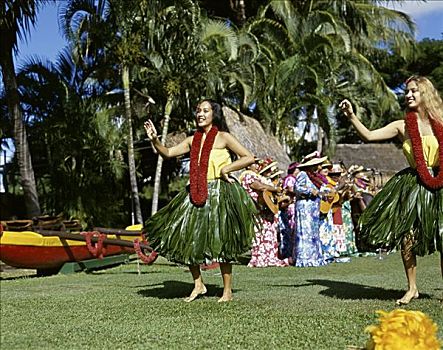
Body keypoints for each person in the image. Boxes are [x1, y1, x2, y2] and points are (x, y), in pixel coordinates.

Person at [339, 75, 443, 305]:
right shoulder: (402, 125)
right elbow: (369, 135)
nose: (408, 95)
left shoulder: (441, 121)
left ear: (425, 92)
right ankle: (412, 288)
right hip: (412, 184)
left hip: (440, 182)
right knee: (407, 236)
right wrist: (352, 116)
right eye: (406, 91)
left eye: (413, 91)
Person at [143, 99, 257, 302]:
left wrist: (226, 169)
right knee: (188, 238)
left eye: (206, 110)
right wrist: (154, 140)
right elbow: (168, 153)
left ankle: (227, 291)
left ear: (215, 114)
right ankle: (199, 284)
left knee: (223, 240)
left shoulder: (223, 137)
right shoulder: (191, 140)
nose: (200, 114)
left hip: (220, 193)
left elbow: (248, 157)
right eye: (198, 111)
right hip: (195, 191)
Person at [240, 158, 290, 267]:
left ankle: (269, 257)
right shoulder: (248, 176)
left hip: (265, 208)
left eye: (258, 164)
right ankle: (261, 258)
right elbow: (259, 186)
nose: (257, 166)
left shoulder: (256, 176)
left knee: (269, 232)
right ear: (248, 166)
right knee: (261, 233)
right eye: (255, 164)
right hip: (257, 209)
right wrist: (274, 189)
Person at [292, 152, 329, 267]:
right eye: (318, 164)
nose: (320, 167)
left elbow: (322, 189)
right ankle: (305, 257)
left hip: (313, 207)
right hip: (305, 207)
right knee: (305, 231)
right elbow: (297, 188)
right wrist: (309, 191)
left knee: (313, 232)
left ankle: (314, 256)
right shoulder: (303, 174)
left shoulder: (315, 178)